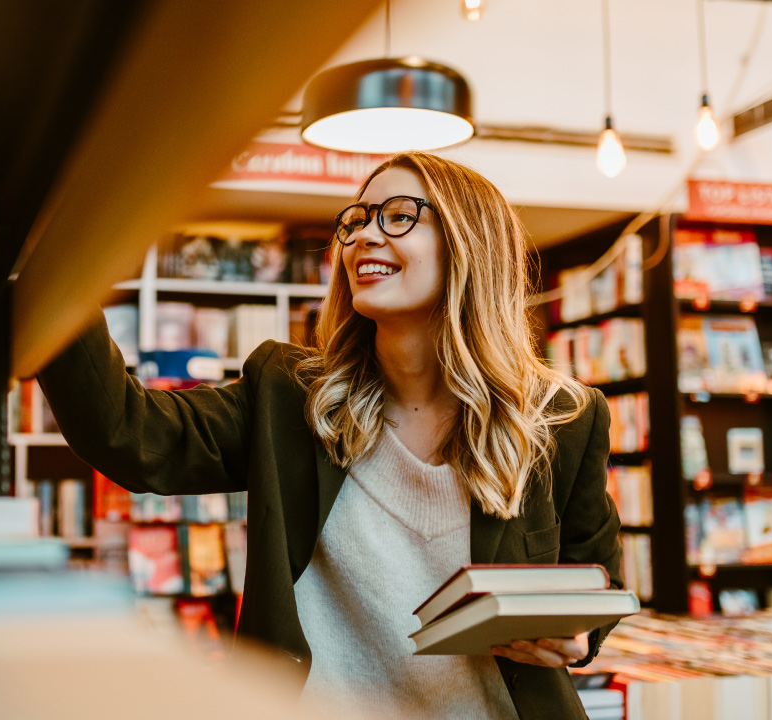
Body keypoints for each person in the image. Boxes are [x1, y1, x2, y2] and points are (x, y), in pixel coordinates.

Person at [39, 152, 622, 720]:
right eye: (356, 220)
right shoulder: (290, 396)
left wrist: (578, 633)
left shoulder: (563, 418)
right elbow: (128, 433)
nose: (364, 235)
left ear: (471, 244)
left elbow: (596, 584)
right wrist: (57, 264)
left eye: (398, 215)